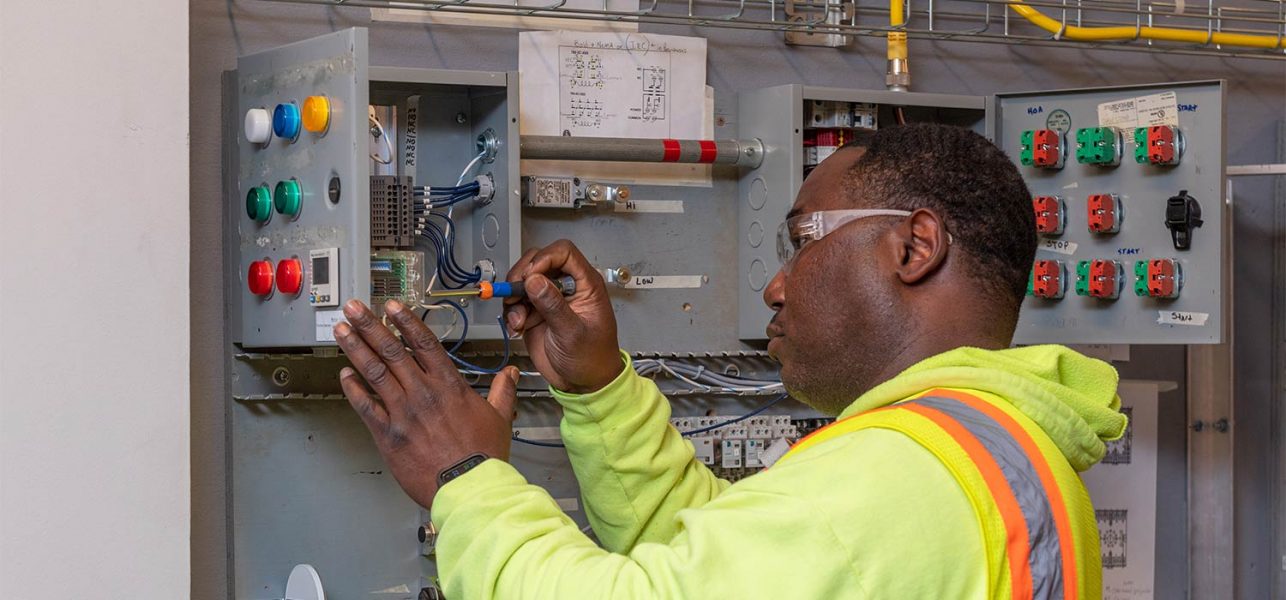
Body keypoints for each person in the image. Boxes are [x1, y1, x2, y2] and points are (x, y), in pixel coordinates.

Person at [331, 123, 1127, 599]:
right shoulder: (1000, 454)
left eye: (801, 242)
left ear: (915, 247)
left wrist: (466, 479)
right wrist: (604, 392)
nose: (776, 285)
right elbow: (714, 554)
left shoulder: (891, 480)